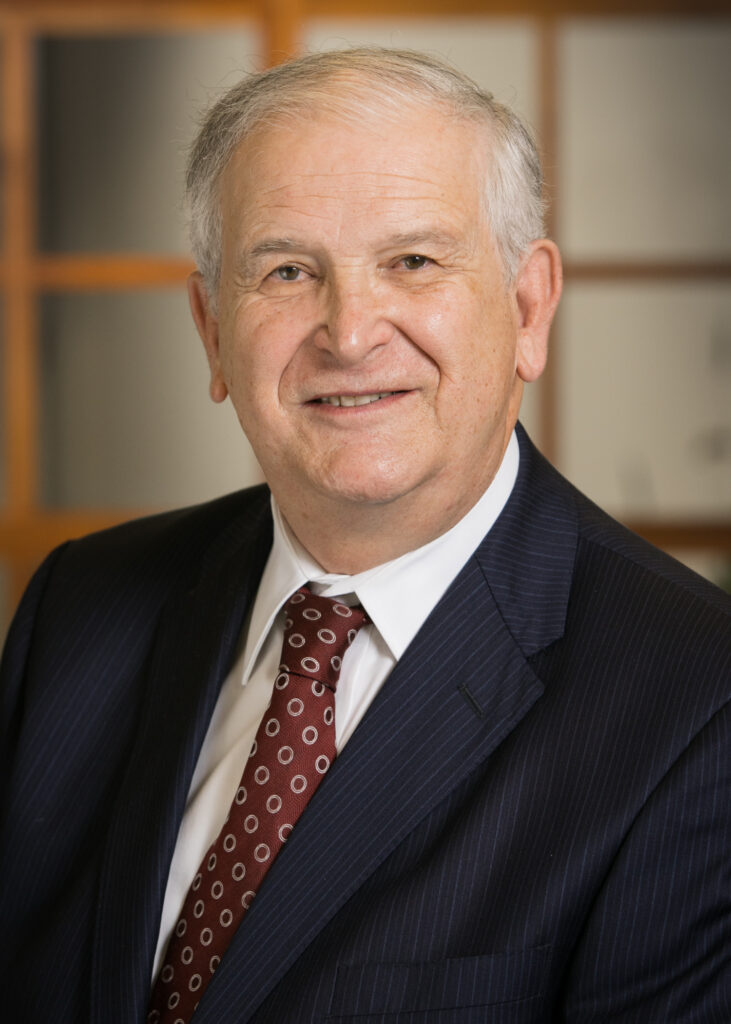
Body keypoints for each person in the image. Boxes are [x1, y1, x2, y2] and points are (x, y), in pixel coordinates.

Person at [1, 47, 729, 1024]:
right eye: (287, 270)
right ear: (211, 329)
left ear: (527, 307)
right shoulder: (79, 607)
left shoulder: (695, 704)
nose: (348, 333)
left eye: (412, 262)